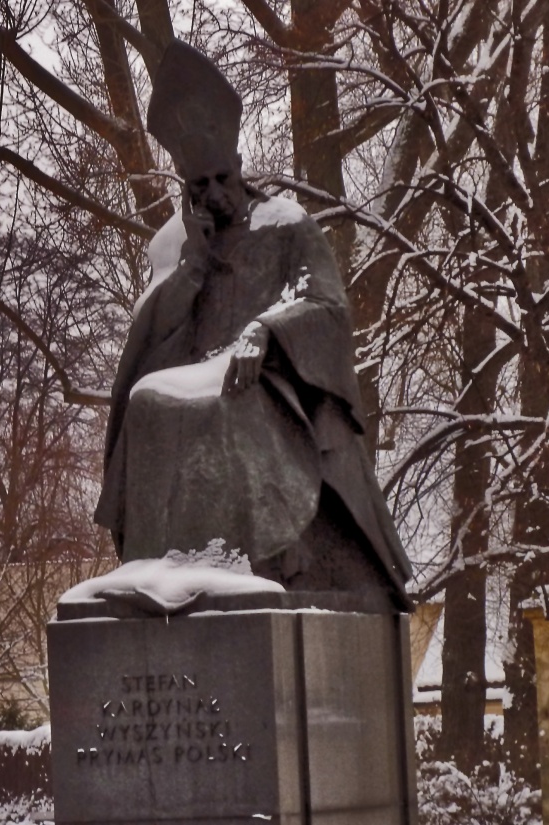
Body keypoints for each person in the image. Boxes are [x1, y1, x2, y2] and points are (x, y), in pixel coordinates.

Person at [93, 41, 411, 611]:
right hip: (194, 370)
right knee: (145, 402)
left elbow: (328, 305)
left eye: (222, 179)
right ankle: (161, 567)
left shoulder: (287, 226)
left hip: (272, 379)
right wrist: (193, 266)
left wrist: (266, 331)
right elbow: (152, 339)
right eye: (200, 187)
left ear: (239, 167)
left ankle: (251, 563)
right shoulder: (175, 243)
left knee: (232, 405)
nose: (215, 194)